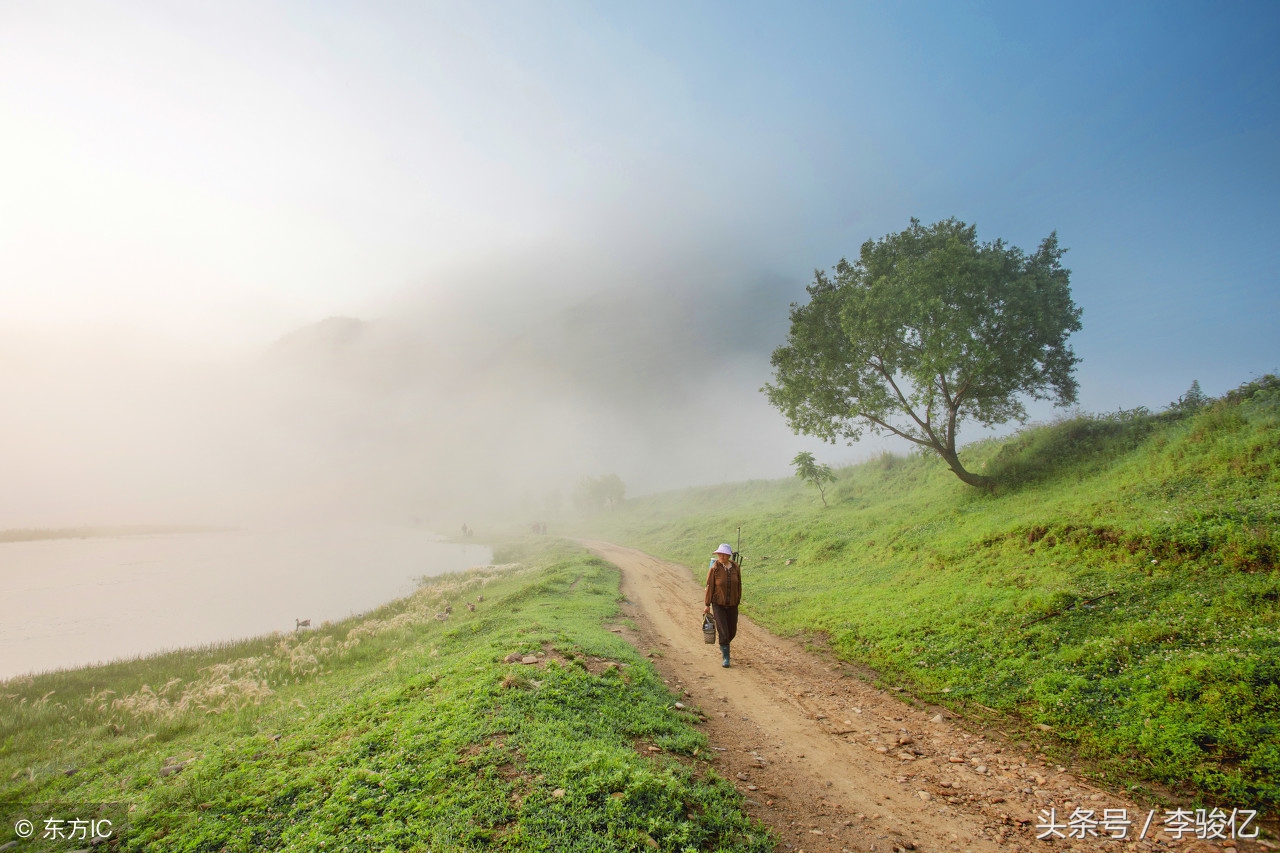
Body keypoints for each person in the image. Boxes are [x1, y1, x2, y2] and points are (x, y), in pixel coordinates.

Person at [703, 543, 742, 668]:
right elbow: (709, 587)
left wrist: (738, 599)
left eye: (723, 554)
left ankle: (724, 645)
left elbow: (739, 584)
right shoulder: (715, 568)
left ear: (728, 555)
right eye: (719, 554)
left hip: (733, 604)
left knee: (732, 631)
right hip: (718, 604)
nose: (721, 556)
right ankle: (726, 657)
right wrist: (707, 604)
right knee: (723, 631)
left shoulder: (735, 567)